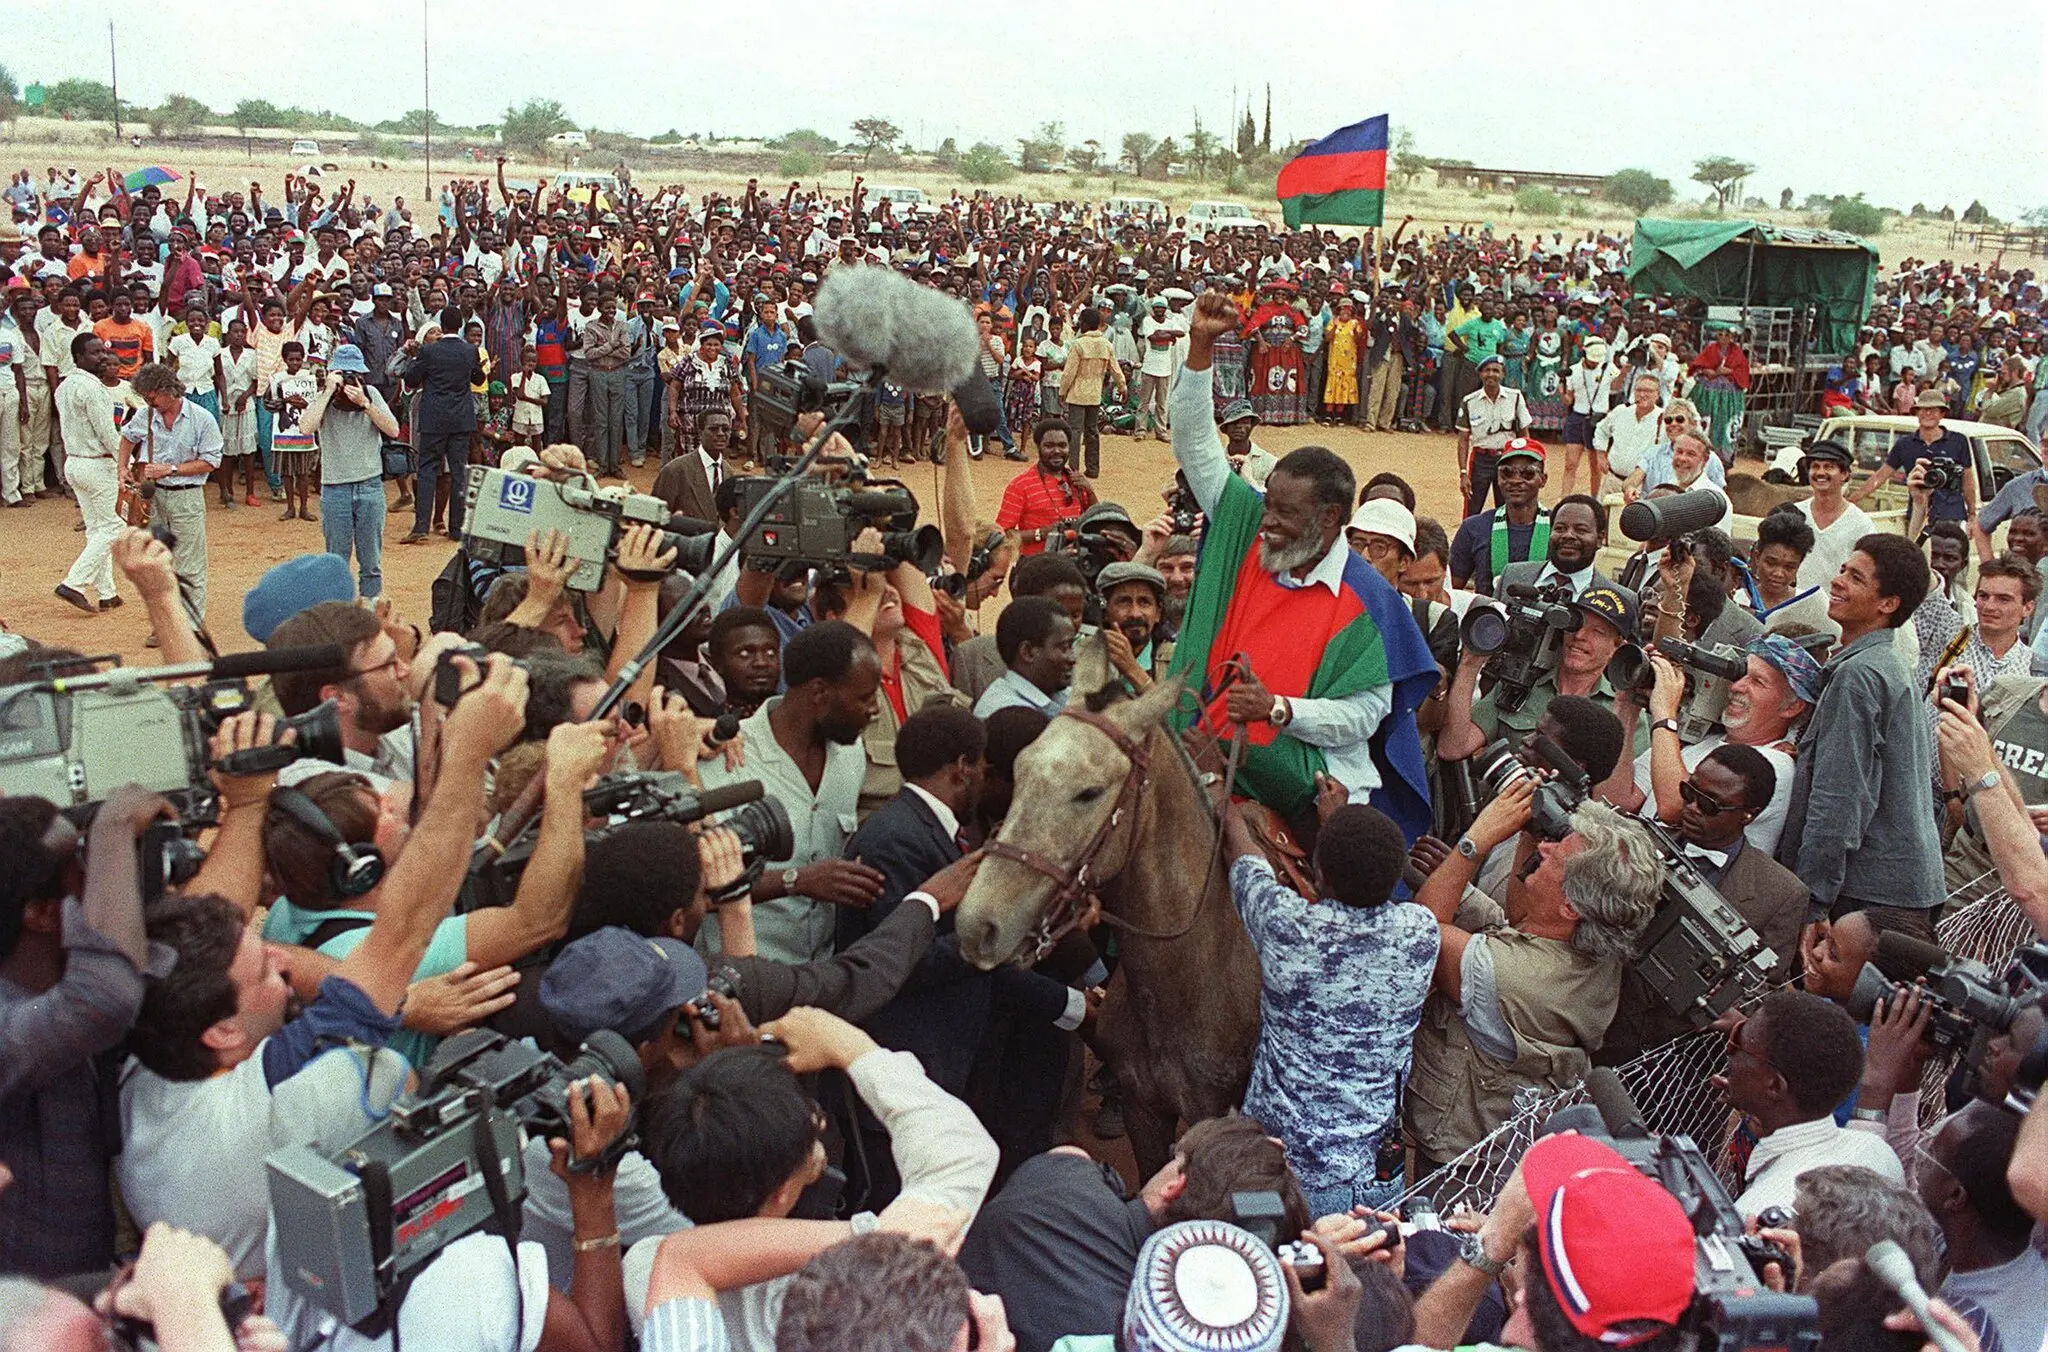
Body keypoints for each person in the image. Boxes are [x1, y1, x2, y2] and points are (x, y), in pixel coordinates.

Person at [117, 660, 527, 1278]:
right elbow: (403, 932)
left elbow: (213, 918)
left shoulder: (146, 1050)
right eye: (263, 973)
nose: (282, 964)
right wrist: (468, 755)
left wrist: (247, 805)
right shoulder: (302, 1098)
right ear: (222, 1033)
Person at [1167, 290, 1438, 842]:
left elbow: (1365, 715)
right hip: (1204, 751)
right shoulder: (1246, 525)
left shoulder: (1369, 597)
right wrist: (1199, 348)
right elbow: (1195, 445)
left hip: (1311, 786)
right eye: (1268, 504)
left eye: (1285, 513)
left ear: (1331, 518)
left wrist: (1279, 709)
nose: (1266, 522)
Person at [628, 1007, 1001, 1350]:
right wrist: (851, 1047)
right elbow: (964, 1153)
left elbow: (689, 1256)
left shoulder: (643, 1269)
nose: (818, 1121)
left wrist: (733, 1098)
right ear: (782, 1192)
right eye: (812, 1122)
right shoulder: (847, 1297)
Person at [1405, 789, 1664, 1171]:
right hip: (1503, 1143)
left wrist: (1472, 845)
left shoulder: (1511, 977)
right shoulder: (1600, 944)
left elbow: (1417, 934)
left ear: (1571, 906)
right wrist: (1524, 833)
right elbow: (1520, 922)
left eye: (1555, 856)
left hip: (1457, 1161)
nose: (1544, 849)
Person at [1223, 797, 1437, 1213]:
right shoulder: (1420, 934)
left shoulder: (1288, 929)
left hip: (1280, 1187)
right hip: (1378, 1186)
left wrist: (1224, 801)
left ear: (1319, 874)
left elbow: (1244, 860)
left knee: (1271, 1275)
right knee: (1366, 1278)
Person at [957, 1116, 1309, 1352]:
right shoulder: (1171, 1335)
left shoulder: (1060, 1176)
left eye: (1178, 1157)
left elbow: (1071, 1155)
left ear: (1175, 1187)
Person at [0, 786, 164, 1278]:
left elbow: (147, 970)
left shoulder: (63, 975)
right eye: (84, 871)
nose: (102, 884)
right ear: (42, 913)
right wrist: (111, 833)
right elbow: (104, 999)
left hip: (88, 1276)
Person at [1595, 742, 1810, 1065]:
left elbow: (1764, 987)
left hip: (1684, 1066)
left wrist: (1723, 1002)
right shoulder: (1640, 843)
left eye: (1710, 804)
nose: (1693, 807)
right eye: (1689, 791)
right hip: (1602, 1032)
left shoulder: (1781, 893)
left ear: (1749, 815)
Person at [1775, 534, 1945, 937]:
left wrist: (1814, 902)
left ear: (1888, 604)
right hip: (1897, 890)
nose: (1838, 582)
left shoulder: (1859, 676)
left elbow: (1840, 799)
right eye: (1842, 570)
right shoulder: (1881, 663)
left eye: (1856, 578)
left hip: (1869, 897)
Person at [700, 621, 886, 965]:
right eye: (865, 697)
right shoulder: (725, 760)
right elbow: (699, 888)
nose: (874, 710)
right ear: (820, 693)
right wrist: (796, 881)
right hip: (744, 980)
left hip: (822, 975)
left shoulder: (850, 753)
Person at [1720, 989, 1904, 1220]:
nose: (1730, 1053)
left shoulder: (1758, 1212)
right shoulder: (1877, 1151)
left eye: (1738, 1043)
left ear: (1775, 1086)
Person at [1633, 635, 1818, 855]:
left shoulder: (1776, 765)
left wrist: (1664, 712)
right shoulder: (1703, 739)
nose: (1737, 687)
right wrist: (1628, 702)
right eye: (1741, 675)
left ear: (1792, 707)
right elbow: (1623, 797)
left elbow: (1673, 808)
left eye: (1757, 682)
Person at [1920, 1102, 2045, 1352]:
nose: (1921, 1154)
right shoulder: (1950, 1246)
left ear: (1955, 1196)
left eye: (1932, 1155)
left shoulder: (1970, 1335)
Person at [119, 360, 222, 624]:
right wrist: (122, 467)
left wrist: (171, 470)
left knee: (189, 565)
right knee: (158, 563)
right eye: (144, 397)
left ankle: (189, 626)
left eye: (152, 397)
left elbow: (212, 461)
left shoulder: (201, 419)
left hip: (187, 496)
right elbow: (128, 436)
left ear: (169, 390)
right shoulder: (146, 415)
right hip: (154, 498)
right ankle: (165, 624)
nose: (148, 402)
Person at [299, 344, 398, 599]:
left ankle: (370, 614)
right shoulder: (325, 399)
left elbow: (393, 430)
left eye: (355, 375)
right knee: (336, 563)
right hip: (335, 489)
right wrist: (329, 390)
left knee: (371, 564)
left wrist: (365, 403)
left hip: (370, 486)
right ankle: (340, 620)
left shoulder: (371, 394)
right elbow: (306, 427)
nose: (350, 381)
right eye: (344, 375)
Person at [397, 307, 484, 544]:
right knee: (458, 472)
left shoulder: (429, 351)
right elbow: (479, 379)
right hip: (460, 418)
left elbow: (411, 378)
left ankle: (421, 527)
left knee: (426, 470)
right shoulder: (470, 350)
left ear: (442, 326)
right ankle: (457, 528)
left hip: (434, 418)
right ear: (461, 326)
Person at [52, 333, 124, 614]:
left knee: (97, 528)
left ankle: (108, 593)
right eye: (94, 353)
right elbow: (107, 433)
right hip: (96, 463)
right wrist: (125, 463)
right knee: (112, 527)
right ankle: (74, 582)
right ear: (79, 358)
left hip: (76, 462)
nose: (102, 357)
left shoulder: (65, 386)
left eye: (102, 351)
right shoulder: (92, 389)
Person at [1856, 388, 1978, 525]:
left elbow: (1967, 480)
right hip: (1917, 514)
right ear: (1916, 413)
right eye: (1923, 409)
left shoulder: (1958, 441)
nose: (1927, 414)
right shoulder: (1904, 444)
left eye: (1933, 410)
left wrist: (1972, 514)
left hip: (1951, 514)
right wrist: (1851, 501)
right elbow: (1880, 476)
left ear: (1942, 414)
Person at [1448, 437, 1552, 595]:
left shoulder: (1558, 529)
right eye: (1506, 473)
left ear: (1543, 480)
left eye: (1528, 473)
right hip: (1489, 616)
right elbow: (1450, 589)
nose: (1516, 480)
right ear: (1498, 478)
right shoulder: (1474, 528)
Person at [996, 419, 1095, 558]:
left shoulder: (1077, 481)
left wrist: (1090, 491)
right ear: (1038, 447)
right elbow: (1002, 535)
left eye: (1062, 445)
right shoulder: (1020, 485)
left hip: (1075, 564)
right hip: (1035, 566)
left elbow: (1096, 521)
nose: (1057, 451)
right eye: (1049, 446)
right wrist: (1041, 533)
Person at [973, 596, 1076, 719]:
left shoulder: (1061, 695)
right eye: (1064, 648)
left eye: (1071, 646)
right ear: (1028, 652)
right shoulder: (1006, 715)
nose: (1073, 658)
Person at [1455, 354, 1532, 517]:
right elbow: (1463, 439)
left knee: (1509, 509)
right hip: (1480, 460)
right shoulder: (1470, 401)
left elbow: (1524, 435)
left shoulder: (1515, 398)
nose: (1491, 375)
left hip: (1508, 460)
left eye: (1496, 371)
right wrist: (1463, 473)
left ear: (1503, 374)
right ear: (1480, 374)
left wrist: (1526, 465)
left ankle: (1507, 542)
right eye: (1487, 371)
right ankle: (1468, 542)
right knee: (1472, 509)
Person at [1058, 309, 1125, 479]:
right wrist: (1122, 387)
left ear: (1085, 324)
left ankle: (1073, 467)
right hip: (1095, 394)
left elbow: (1069, 372)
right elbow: (1116, 370)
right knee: (1092, 431)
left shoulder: (1078, 344)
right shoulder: (1106, 345)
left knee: (1075, 431)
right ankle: (1093, 468)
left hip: (1077, 393)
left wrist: (1062, 391)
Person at [1096, 560, 1174, 695]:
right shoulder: (1082, 656)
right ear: (1105, 612)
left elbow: (1174, 715)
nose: (1135, 614)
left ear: (1158, 614)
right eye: (1124, 602)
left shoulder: (1176, 659)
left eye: (1144, 602)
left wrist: (1131, 669)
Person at [1590, 372, 1664, 494]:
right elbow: (1601, 430)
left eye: (1648, 391)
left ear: (1657, 395)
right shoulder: (1621, 412)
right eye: (1639, 390)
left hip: (1640, 488)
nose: (1642, 394)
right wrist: (1601, 454)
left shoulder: (1664, 419)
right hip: (1612, 480)